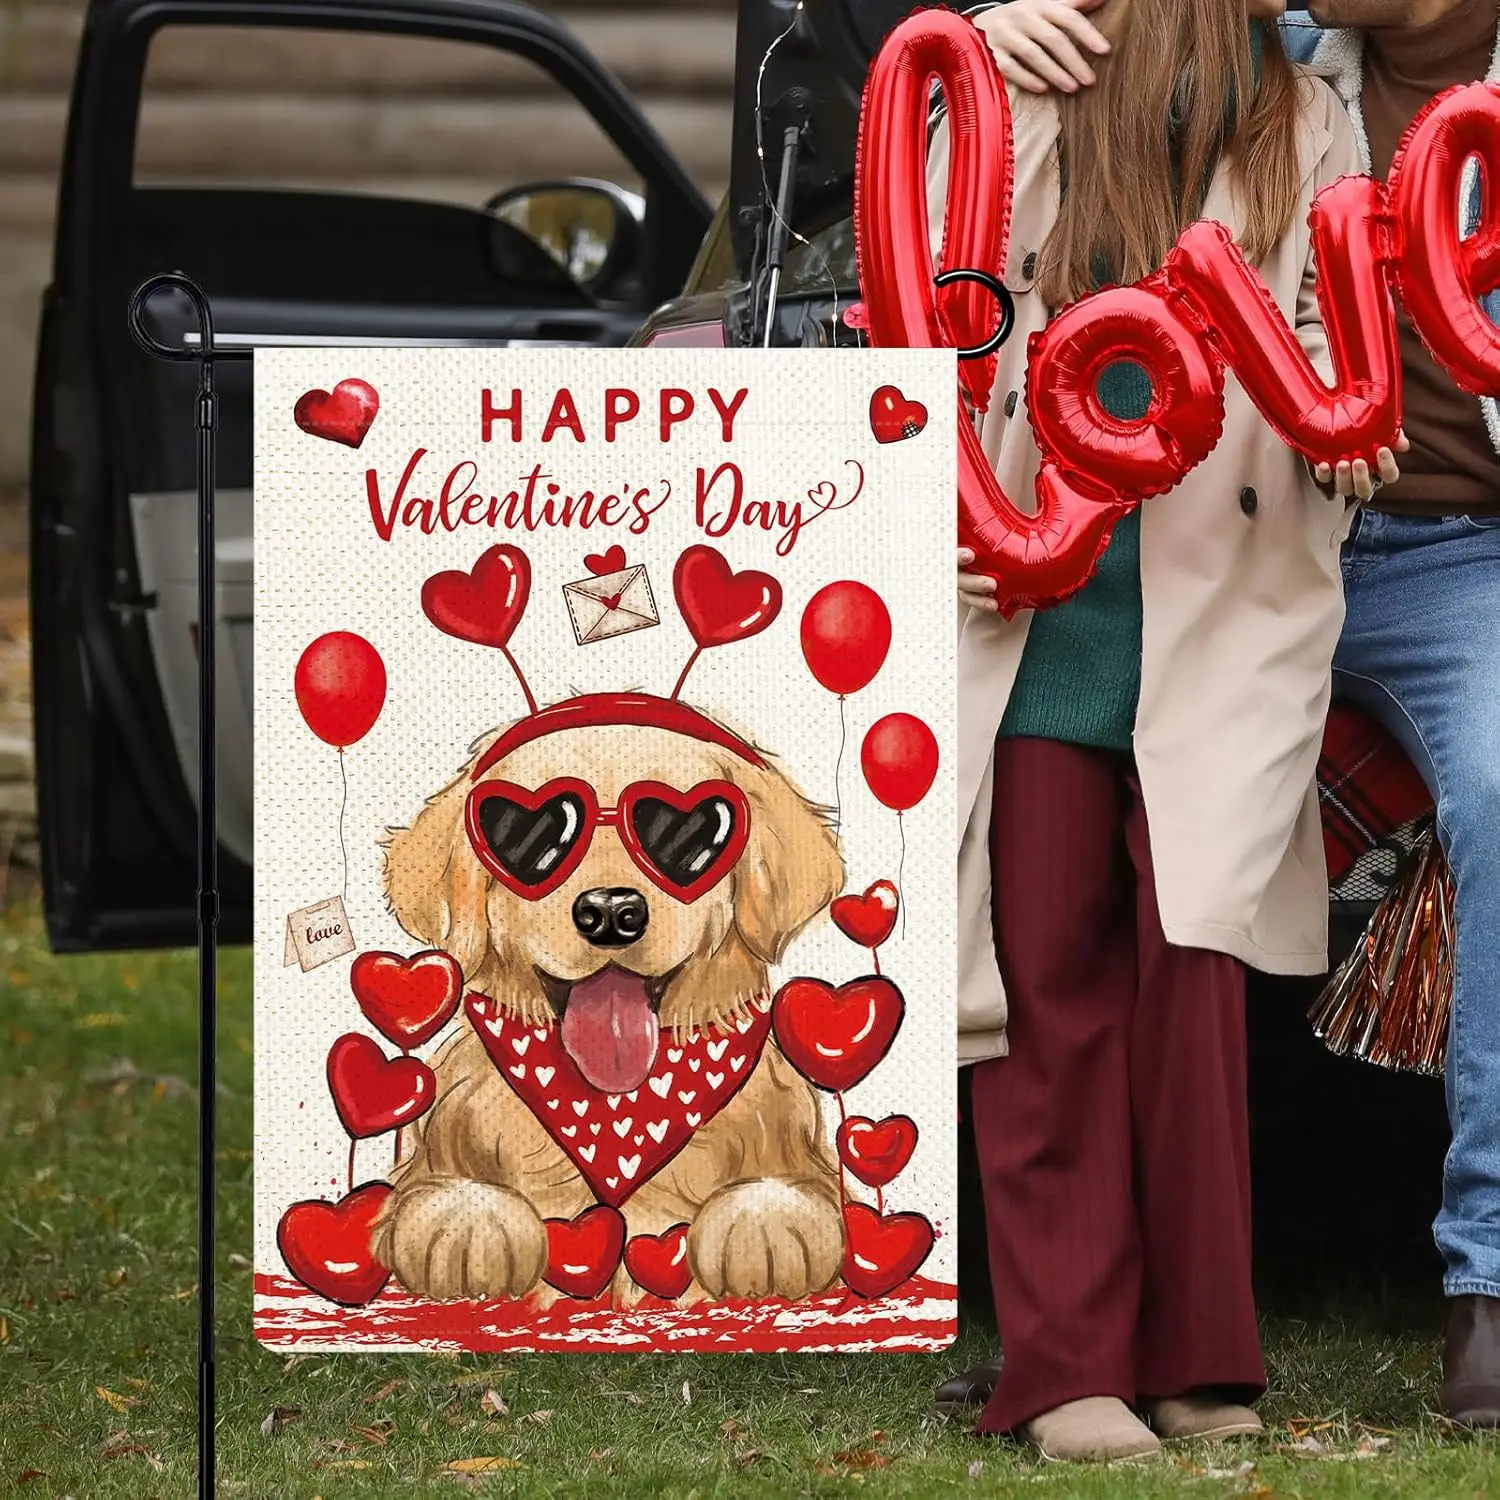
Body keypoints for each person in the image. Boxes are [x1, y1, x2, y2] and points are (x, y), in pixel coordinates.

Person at [967, 0, 1500, 1434]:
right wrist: (972, 28)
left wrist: (1347, 424)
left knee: (1189, 976)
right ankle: (1066, 1358)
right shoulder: (1029, 99)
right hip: (1040, 604)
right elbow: (942, 300)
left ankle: (1203, 1349)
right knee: (1042, 975)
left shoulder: (1302, 121)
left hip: (1233, 602)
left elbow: (1332, 335)